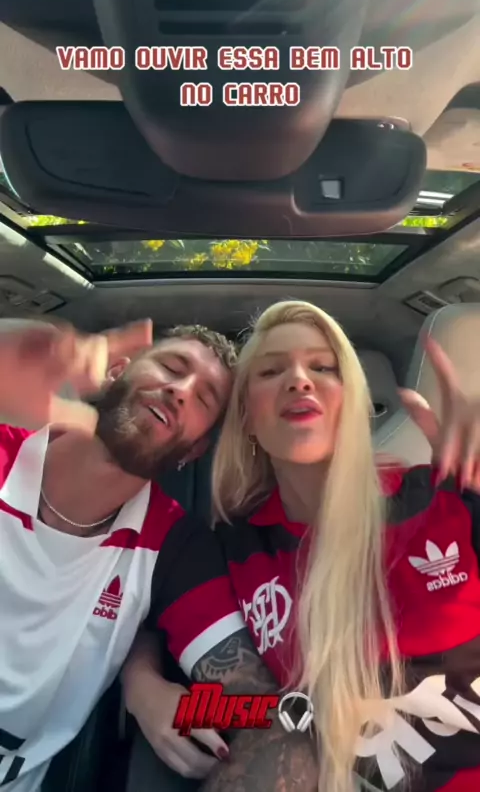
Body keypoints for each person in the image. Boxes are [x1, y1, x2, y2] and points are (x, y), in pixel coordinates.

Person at [124, 300, 480, 792]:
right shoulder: (232, 547)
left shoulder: (447, 500)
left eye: (323, 368)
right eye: (272, 371)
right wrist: (141, 687)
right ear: (247, 418)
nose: (298, 380)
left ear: (355, 401)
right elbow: (147, 615)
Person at [0, 318, 311, 792]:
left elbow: (269, 714)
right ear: (115, 371)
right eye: (171, 367)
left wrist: (148, 687)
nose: (180, 391)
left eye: (204, 398)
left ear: (195, 449)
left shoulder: (175, 547)